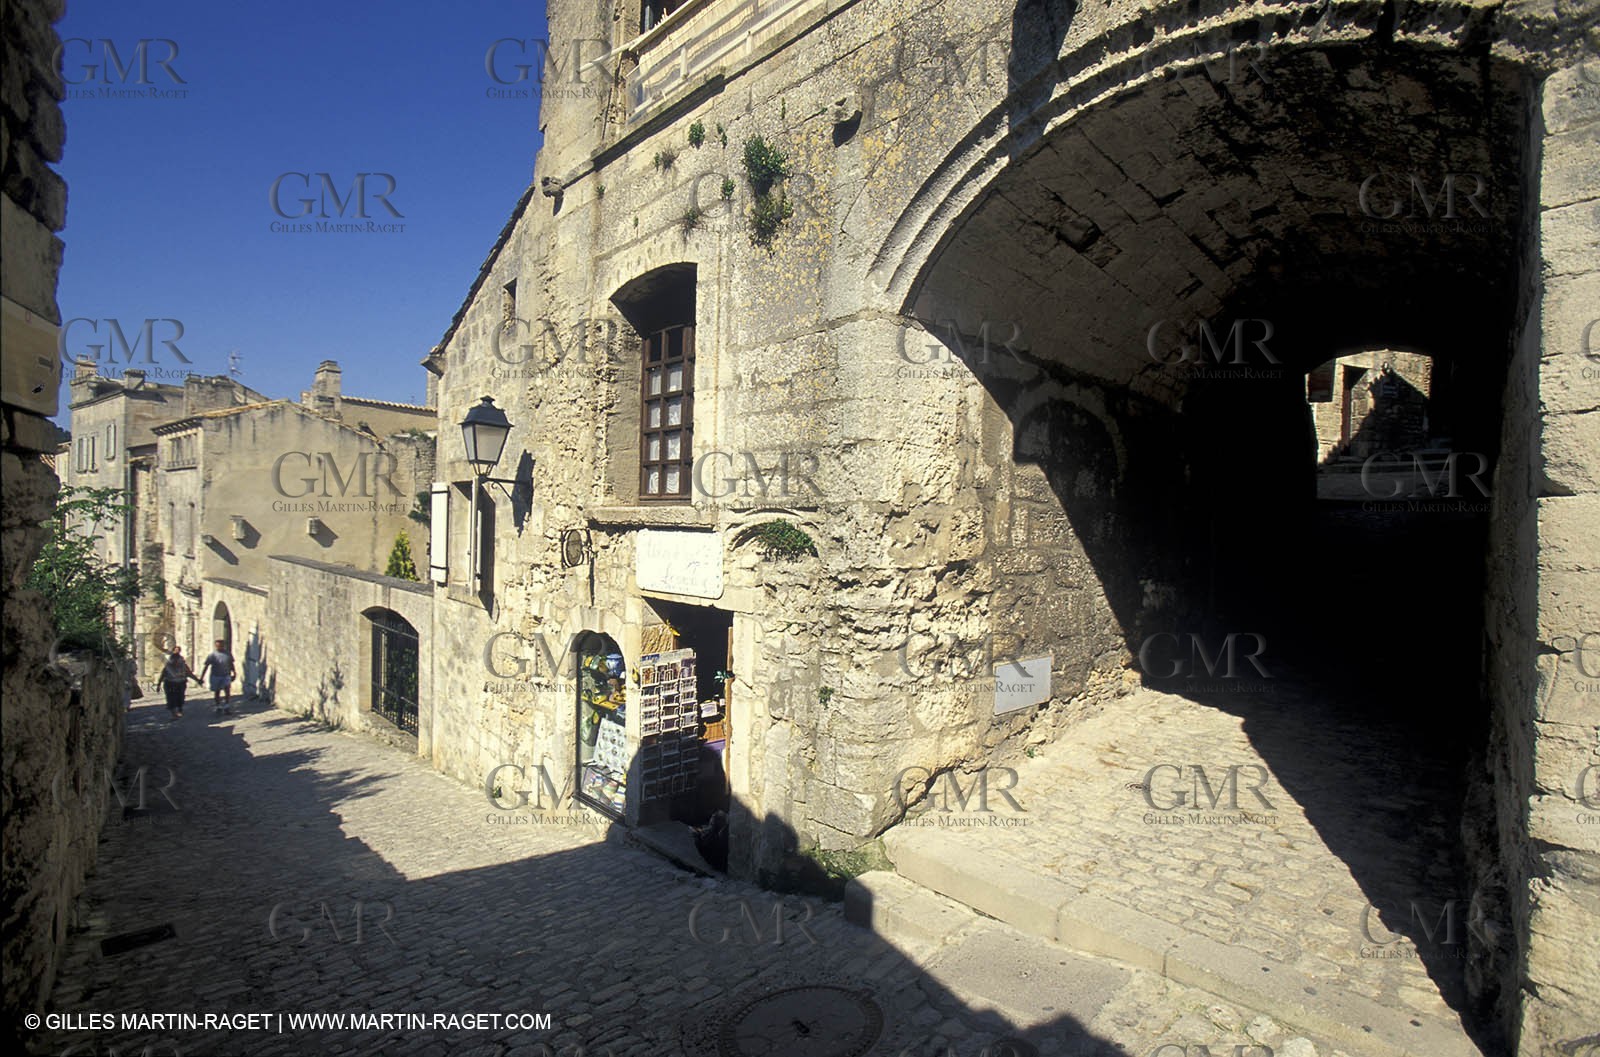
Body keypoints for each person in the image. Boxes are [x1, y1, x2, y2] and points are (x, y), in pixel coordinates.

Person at [159, 647, 200, 719]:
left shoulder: (183, 665)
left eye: (176, 659)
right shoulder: (168, 666)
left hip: (180, 683)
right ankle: (174, 714)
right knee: (170, 698)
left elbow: (189, 673)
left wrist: (197, 680)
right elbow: (163, 674)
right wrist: (158, 684)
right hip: (169, 683)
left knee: (180, 698)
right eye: (174, 659)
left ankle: (179, 710)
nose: (175, 661)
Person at [201, 639, 237, 715]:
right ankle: (218, 706)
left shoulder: (228, 654)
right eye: (217, 646)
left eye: (221, 646)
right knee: (217, 691)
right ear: (215, 646)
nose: (219, 647)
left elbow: (231, 664)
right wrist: (202, 677)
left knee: (227, 690)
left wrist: (234, 673)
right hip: (216, 675)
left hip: (226, 675)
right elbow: (206, 666)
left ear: (223, 646)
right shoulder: (212, 655)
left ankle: (227, 706)